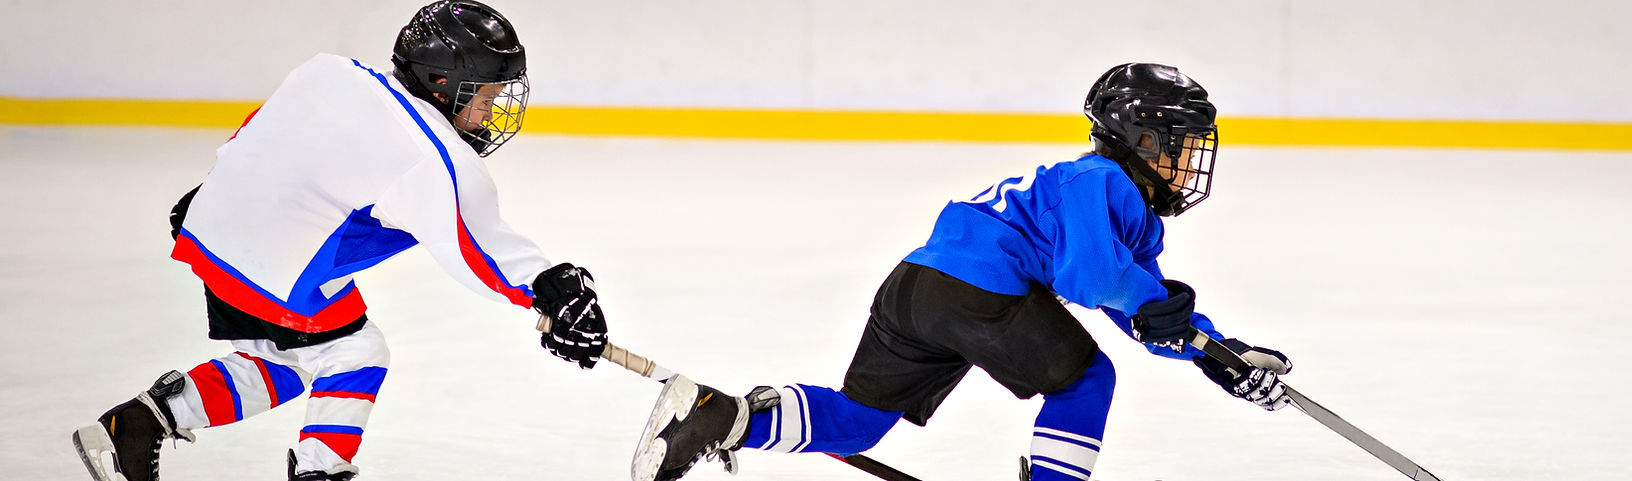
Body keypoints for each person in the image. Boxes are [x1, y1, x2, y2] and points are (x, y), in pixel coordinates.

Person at [631, 63, 1297, 481]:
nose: (1189, 165)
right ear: (1142, 143)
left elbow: (1137, 307)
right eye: (1181, 148)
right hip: (981, 289)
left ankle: (724, 418)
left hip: (917, 286)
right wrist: (1171, 312)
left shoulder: (1118, 204)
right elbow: (1096, 280)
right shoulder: (1103, 182)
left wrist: (1217, 353)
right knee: (1086, 380)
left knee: (862, 419)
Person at [69, 2, 611, 480]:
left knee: (285, 358)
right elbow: (477, 248)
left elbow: (264, 128)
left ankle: (135, 427)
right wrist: (549, 289)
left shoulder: (331, 71)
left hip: (212, 230)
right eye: (486, 97)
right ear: (443, 84)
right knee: (355, 351)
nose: (492, 113)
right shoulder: (433, 156)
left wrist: (214, 192)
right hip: (273, 260)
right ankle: (319, 472)